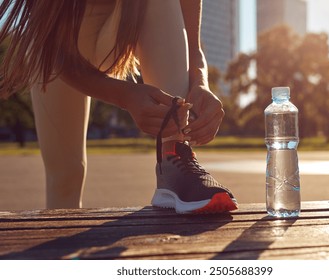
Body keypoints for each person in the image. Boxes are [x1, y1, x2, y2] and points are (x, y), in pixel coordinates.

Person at [0, 0, 238, 214]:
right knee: (65, 174)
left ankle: (174, 155)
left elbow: (193, 45)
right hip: (57, 43)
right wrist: (126, 97)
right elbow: (61, 56)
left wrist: (200, 84)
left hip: (124, 20)